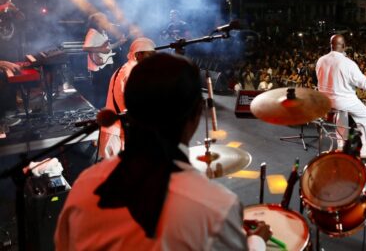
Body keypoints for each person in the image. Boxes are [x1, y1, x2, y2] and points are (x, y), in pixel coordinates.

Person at [55, 53, 271, 250]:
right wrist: (256, 241)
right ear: (195, 116)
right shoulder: (216, 206)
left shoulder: (85, 186)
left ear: (129, 109)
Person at [316, 34, 366, 159]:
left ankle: (341, 144)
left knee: (342, 114)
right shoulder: (348, 63)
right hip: (342, 100)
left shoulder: (321, 60)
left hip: (324, 100)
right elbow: (365, 85)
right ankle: (365, 151)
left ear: (331, 45)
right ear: (344, 46)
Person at [99, 37, 156, 159]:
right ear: (139, 54)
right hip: (117, 135)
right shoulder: (132, 72)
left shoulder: (125, 69)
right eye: (150, 54)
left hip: (116, 131)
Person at [82, 12, 127, 109]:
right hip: (98, 66)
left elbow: (107, 48)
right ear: (98, 22)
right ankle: (100, 111)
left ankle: (106, 109)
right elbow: (85, 48)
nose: (107, 22)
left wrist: (120, 42)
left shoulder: (103, 33)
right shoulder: (92, 32)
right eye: (104, 20)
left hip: (105, 64)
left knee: (106, 89)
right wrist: (100, 49)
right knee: (100, 90)